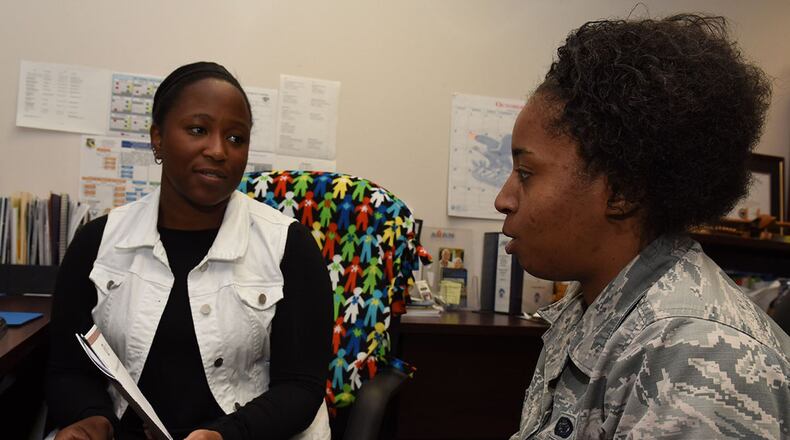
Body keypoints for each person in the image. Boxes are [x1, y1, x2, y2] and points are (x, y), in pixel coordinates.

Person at [495, 15, 790, 439]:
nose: (503, 199)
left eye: (526, 172)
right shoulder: (593, 308)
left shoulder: (700, 360)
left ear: (623, 192)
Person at [46, 62, 332, 440]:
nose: (218, 150)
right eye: (198, 130)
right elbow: (67, 367)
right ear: (158, 139)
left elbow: (301, 387)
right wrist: (92, 417)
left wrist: (225, 435)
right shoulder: (98, 243)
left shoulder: (288, 247)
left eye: (235, 138)